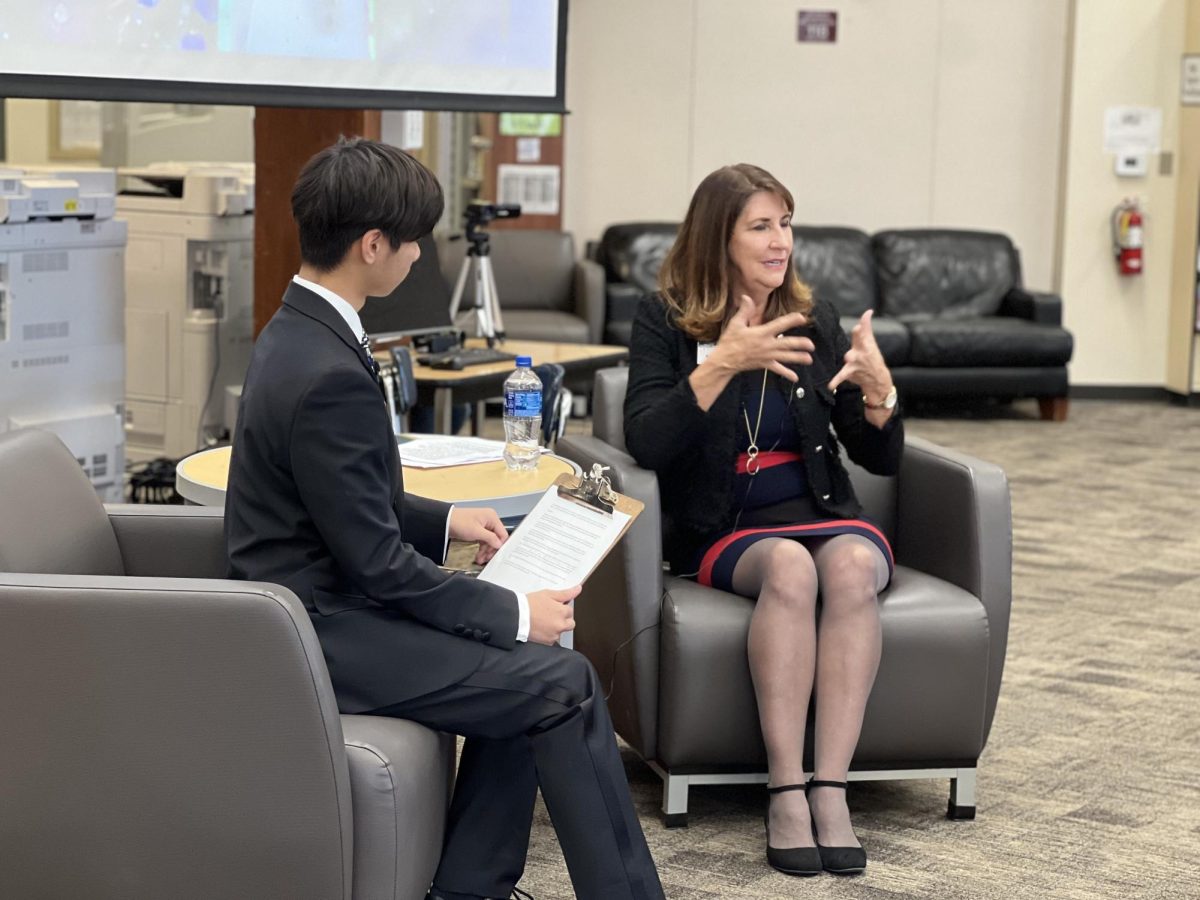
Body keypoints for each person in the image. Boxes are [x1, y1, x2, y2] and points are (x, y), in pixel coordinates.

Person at [224, 137, 664, 900]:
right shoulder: (329, 371)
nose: (421, 252)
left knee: (541, 678)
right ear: (371, 245)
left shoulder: (297, 330)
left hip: (314, 606)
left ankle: (469, 887)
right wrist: (513, 612)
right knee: (564, 682)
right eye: (414, 238)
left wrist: (448, 518)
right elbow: (376, 567)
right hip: (322, 630)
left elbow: (342, 497)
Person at [624, 164, 903, 878]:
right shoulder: (664, 318)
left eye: (785, 224)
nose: (780, 241)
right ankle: (786, 789)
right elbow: (647, 441)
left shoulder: (816, 317)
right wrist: (722, 362)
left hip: (818, 511)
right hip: (724, 525)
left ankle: (831, 788)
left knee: (849, 564)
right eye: (761, 226)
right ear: (718, 236)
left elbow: (875, 453)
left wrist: (879, 397)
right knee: (787, 566)